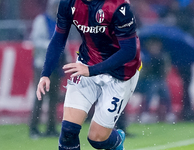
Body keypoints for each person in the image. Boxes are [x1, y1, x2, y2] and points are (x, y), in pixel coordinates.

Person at [36, 0, 142, 149]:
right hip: (87, 64)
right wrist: (45, 73)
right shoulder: (67, 3)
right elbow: (59, 39)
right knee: (68, 132)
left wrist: (91, 71)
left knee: (97, 140)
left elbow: (129, 51)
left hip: (120, 73)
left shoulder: (119, 6)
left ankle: (117, 141)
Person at [29, 0, 66, 138]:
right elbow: (35, 40)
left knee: (54, 98)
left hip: (56, 66)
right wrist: (51, 46)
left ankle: (51, 127)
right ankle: (34, 128)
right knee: (39, 97)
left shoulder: (61, 22)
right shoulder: (42, 20)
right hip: (42, 65)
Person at [139, 38, 176, 123]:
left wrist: (163, 69)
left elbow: (167, 70)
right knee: (152, 89)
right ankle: (146, 113)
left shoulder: (163, 55)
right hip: (146, 80)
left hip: (160, 79)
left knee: (164, 91)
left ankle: (169, 113)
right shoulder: (145, 55)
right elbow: (142, 71)